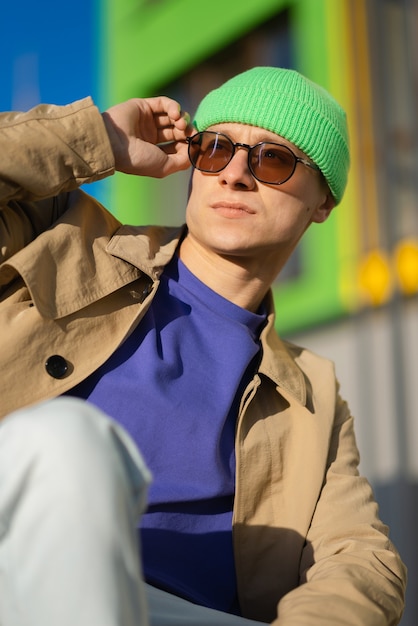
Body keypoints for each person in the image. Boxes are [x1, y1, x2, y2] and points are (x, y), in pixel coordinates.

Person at [0, 67, 407, 625]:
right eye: (214, 149)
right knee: (65, 442)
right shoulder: (63, 241)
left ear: (322, 204)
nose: (235, 174)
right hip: (19, 571)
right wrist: (99, 137)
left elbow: (358, 555)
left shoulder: (313, 389)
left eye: (272, 159)